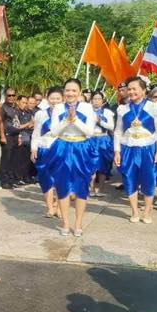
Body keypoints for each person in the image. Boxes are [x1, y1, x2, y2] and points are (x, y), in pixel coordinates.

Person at [49, 79, 97, 236]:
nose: (70, 93)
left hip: (81, 148)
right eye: (67, 90)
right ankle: (65, 223)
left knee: (81, 186)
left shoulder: (87, 107)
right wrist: (67, 119)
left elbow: (89, 131)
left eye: (74, 90)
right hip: (62, 147)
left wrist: (75, 119)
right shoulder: (57, 108)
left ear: (80, 92)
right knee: (61, 186)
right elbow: (54, 131)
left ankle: (78, 224)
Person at [114, 77, 157, 224]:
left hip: (148, 148)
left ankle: (147, 211)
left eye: (134, 89)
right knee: (129, 179)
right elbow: (118, 131)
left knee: (149, 180)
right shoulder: (122, 109)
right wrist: (117, 151)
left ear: (143, 90)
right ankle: (135, 211)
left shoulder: (154, 107)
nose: (131, 92)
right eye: (129, 89)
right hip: (128, 148)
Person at [31, 87, 64, 218]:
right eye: (52, 98)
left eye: (58, 98)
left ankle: (61, 207)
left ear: (62, 99)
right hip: (44, 149)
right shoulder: (40, 114)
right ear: (47, 98)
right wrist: (34, 148)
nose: (54, 101)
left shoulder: (66, 113)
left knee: (61, 180)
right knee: (46, 179)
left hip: (61, 149)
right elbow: (36, 133)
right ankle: (50, 208)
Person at [88, 90, 115, 197]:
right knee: (91, 165)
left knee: (104, 165)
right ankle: (91, 187)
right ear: (91, 100)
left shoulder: (107, 112)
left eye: (99, 99)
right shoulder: (88, 112)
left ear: (103, 101)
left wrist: (100, 121)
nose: (96, 101)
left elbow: (111, 126)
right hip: (90, 139)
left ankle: (100, 188)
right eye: (94, 99)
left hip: (103, 140)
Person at [0, 89, 22, 189]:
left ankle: (11, 180)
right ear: (6, 96)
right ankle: (4, 180)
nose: (11, 97)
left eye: (13, 95)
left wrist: (19, 136)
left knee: (14, 159)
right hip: (7, 136)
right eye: (9, 95)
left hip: (15, 136)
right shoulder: (3, 108)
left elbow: (17, 122)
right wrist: (2, 136)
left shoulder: (15, 108)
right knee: (6, 159)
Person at [14, 95, 35, 184]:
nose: (25, 104)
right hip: (19, 139)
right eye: (23, 102)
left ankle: (25, 177)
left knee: (26, 160)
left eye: (26, 103)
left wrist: (30, 124)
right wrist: (28, 124)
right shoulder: (15, 112)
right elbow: (18, 126)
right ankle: (17, 178)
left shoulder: (27, 113)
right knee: (18, 161)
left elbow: (30, 125)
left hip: (28, 139)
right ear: (18, 102)